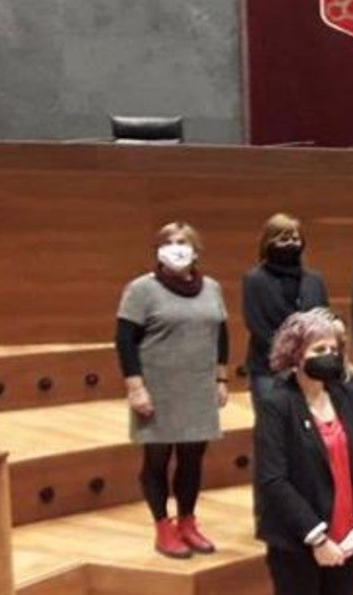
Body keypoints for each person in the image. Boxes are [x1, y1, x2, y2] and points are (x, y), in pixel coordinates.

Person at [115, 222, 229, 559]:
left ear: (196, 251)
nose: (177, 247)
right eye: (169, 242)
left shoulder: (211, 288)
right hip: (158, 388)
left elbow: (222, 334)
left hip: (198, 387)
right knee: (157, 459)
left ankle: (188, 522)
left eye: (184, 242)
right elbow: (124, 341)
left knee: (193, 459)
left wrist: (221, 379)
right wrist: (136, 388)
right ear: (158, 250)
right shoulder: (141, 289)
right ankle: (163, 527)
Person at [253, 309, 353, 595]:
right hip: (300, 540)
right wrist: (317, 538)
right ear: (295, 355)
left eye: (334, 349)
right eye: (320, 349)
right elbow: (273, 479)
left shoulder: (349, 395)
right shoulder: (277, 404)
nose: (330, 355)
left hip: (349, 536)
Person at [242, 213, 329, 399]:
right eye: (283, 239)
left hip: (310, 367)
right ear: (269, 242)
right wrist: (289, 355)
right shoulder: (255, 279)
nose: (291, 243)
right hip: (268, 369)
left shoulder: (314, 280)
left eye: (295, 238)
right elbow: (257, 325)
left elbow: (324, 319)